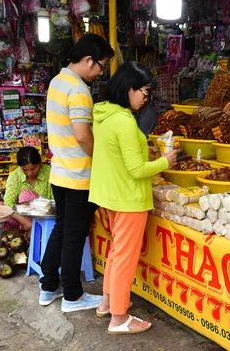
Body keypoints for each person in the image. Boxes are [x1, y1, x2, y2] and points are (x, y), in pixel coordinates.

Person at [89, 62, 178, 334]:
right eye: (144, 92)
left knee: (116, 252)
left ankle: (107, 302)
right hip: (128, 198)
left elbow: (118, 155)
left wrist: (143, 149)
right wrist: (165, 161)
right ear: (129, 88)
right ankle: (119, 318)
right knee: (125, 258)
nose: (146, 98)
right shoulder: (125, 122)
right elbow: (138, 169)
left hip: (110, 194)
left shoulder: (103, 114)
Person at [40, 34, 115, 312]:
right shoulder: (79, 89)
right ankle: (72, 295)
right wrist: (104, 159)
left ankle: (49, 286)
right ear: (87, 61)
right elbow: (83, 136)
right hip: (78, 176)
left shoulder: (57, 82)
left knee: (62, 229)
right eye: (100, 66)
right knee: (74, 234)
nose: (100, 73)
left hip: (60, 172)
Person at [3, 147, 53, 231]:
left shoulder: (50, 173)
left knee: (25, 195)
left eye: (33, 169)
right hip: (22, 219)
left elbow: (55, 202)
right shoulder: (15, 176)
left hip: (45, 217)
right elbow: (8, 205)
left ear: (40, 163)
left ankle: (35, 231)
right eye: (25, 170)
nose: (29, 173)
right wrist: (24, 222)